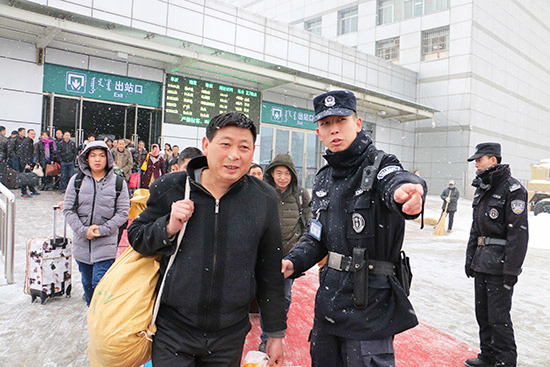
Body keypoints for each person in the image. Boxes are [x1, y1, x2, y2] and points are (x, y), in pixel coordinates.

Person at [127, 112, 286, 367]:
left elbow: (269, 270)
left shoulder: (263, 198)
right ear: (206, 145)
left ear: (253, 151)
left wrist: (276, 333)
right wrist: (167, 226)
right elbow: (137, 236)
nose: (234, 155)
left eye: (243, 147)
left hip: (229, 335)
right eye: (225, 144)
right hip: (173, 330)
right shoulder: (172, 187)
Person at [281, 90, 426, 367]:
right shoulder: (323, 179)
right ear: (318, 131)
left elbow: (395, 180)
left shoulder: (381, 164)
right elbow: (316, 237)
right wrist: (292, 261)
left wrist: (405, 192)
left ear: (357, 124)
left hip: (370, 304)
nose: (334, 129)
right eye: (326, 124)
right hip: (329, 304)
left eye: (341, 120)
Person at [464, 142, 528, 367]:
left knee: (499, 318)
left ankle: (505, 361)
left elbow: (518, 235)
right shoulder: (483, 188)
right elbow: (475, 228)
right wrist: (470, 258)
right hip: (482, 261)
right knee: (483, 314)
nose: (476, 164)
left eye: (479, 160)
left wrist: (512, 269)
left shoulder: (513, 189)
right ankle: (488, 356)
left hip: (500, 265)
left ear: (493, 160)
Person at [63, 141, 130, 306]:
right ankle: (92, 312)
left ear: (108, 158)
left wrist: (103, 230)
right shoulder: (76, 181)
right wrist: (83, 230)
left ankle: (99, 316)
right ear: (86, 158)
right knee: (87, 282)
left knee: (100, 283)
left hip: (106, 243)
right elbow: (68, 210)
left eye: (101, 155)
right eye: (93, 155)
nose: (97, 159)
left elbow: (123, 212)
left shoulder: (118, 183)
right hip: (82, 243)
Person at [257, 154, 311, 352]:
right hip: (266, 256)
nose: (282, 177)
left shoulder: (300, 195)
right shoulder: (262, 193)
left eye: (287, 173)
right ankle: (266, 337)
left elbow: (308, 223)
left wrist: (299, 250)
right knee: (267, 296)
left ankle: (276, 331)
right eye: (279, 173)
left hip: (290, 256)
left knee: (285, 297)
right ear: (271, 173)